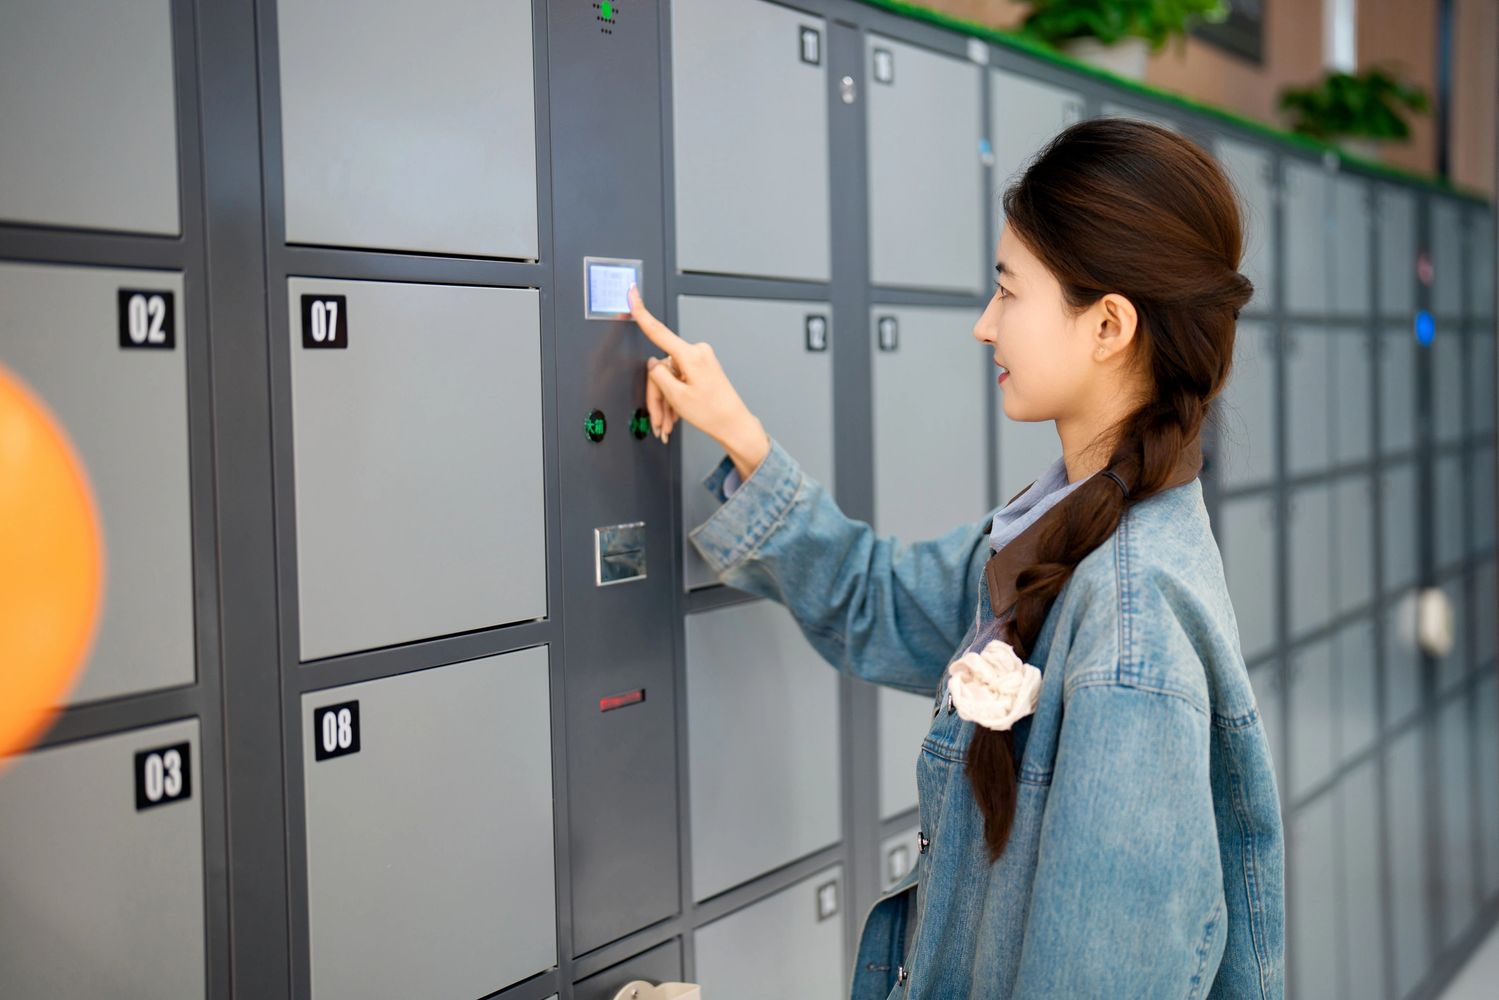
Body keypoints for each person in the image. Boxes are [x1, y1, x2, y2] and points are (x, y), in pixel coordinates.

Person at [630, 117, 1284, 999]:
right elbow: (882, 601)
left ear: (1107, 325)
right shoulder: (1060, 535)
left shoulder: (1130, 639)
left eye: (1008, 293)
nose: (984, 327)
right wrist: (740, 438)